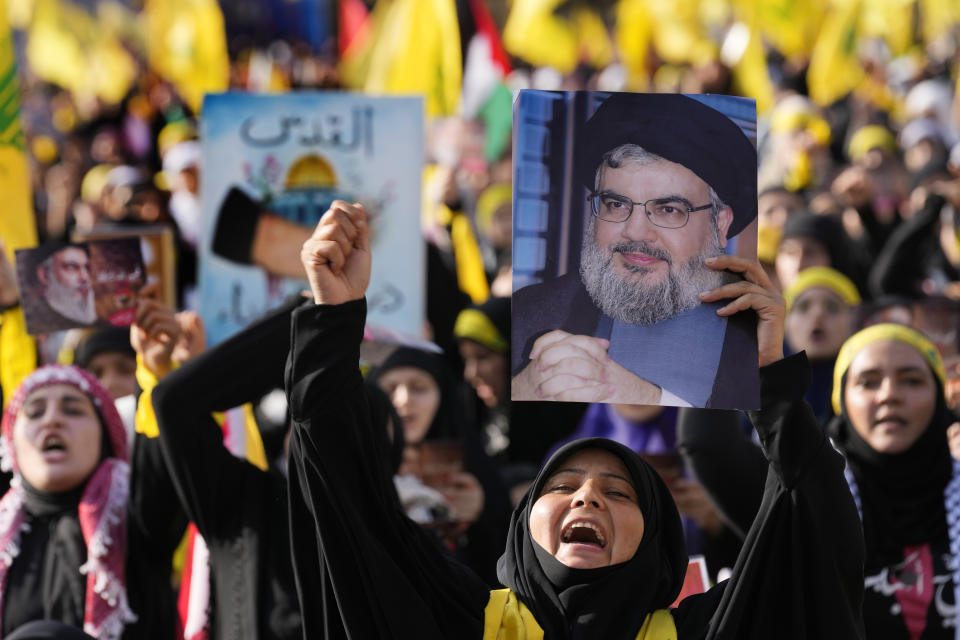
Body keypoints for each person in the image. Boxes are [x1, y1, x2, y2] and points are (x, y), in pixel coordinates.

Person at [285, 200, 864, 639]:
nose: (587, 499)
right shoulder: (465, 624)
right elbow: (348, 498)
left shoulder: (704, 632)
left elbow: (814, 531)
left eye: (619, 492)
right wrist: (333, 320)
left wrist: (765, 374)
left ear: (656, 538)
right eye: (562, 486)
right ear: (522, 524)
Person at [511, 93, 760, 409]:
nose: (635, 231)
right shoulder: (528, 313)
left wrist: (645, 397)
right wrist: (523, 389)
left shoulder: (755, 336)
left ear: (720, 224)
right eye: (616, 204)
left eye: (669, 209)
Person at [151, 296, 303, 640]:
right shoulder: (246, 509)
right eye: (303, 419)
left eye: (338, 424)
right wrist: (308, 316)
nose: (314, 436)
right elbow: (175, 404)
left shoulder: (410, 545)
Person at [0, 364, 184, 639]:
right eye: (35, 412)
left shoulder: (139, 515)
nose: (52, 420)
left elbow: (164, 453)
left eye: (73, 410)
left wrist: (158, 370)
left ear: (106, 435)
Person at [369, 346, 512, 586]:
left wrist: (478, 516)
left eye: (419, 388)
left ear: (442, 396)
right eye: (390, 388)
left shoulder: (475, 472)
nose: (403, 400)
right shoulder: (357, 472)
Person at [783, 266, 861, 422]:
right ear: (784, 321)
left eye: (832, 308)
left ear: (854, 322)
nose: (817, 314)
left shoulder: (865, 395)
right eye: (803, 306)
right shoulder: (755, 389)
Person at [27, 244, 97, 330]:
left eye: (86, 267)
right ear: (44, 275)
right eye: (71, 267)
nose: (85, 277)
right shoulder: (38, 324)